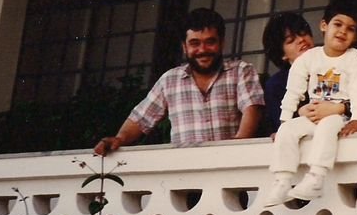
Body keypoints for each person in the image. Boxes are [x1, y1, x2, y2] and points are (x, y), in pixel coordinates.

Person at [93, 8, 264, 155]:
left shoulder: (241, 71)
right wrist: (120, 138)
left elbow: (251, 108)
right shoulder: (170, 80)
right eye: (194, 43)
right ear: (184, 46)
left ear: (222, 43)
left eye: (210, 42)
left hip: (229, 171)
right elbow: (141, 119)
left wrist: (238, 145)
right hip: (184, 176)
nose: (202, 50)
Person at [262, 2, 357, 206]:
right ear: (324, 26)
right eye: (291, 40)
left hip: (338, 118)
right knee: (288, 130)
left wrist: (356, 118)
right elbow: (293, 91)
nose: (343, 32)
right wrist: (285, 121)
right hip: (313, 120)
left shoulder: (354, 59)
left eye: (350, 29)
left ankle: (316, 177)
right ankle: (283, 180)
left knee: (328, 126)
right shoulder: (309, 59)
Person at [260, 12, 316, 137]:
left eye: (303, 33)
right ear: (282, 54)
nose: (301, 40)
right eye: (291, 40)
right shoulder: (276, 85)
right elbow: (281, 125)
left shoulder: (332, 65)